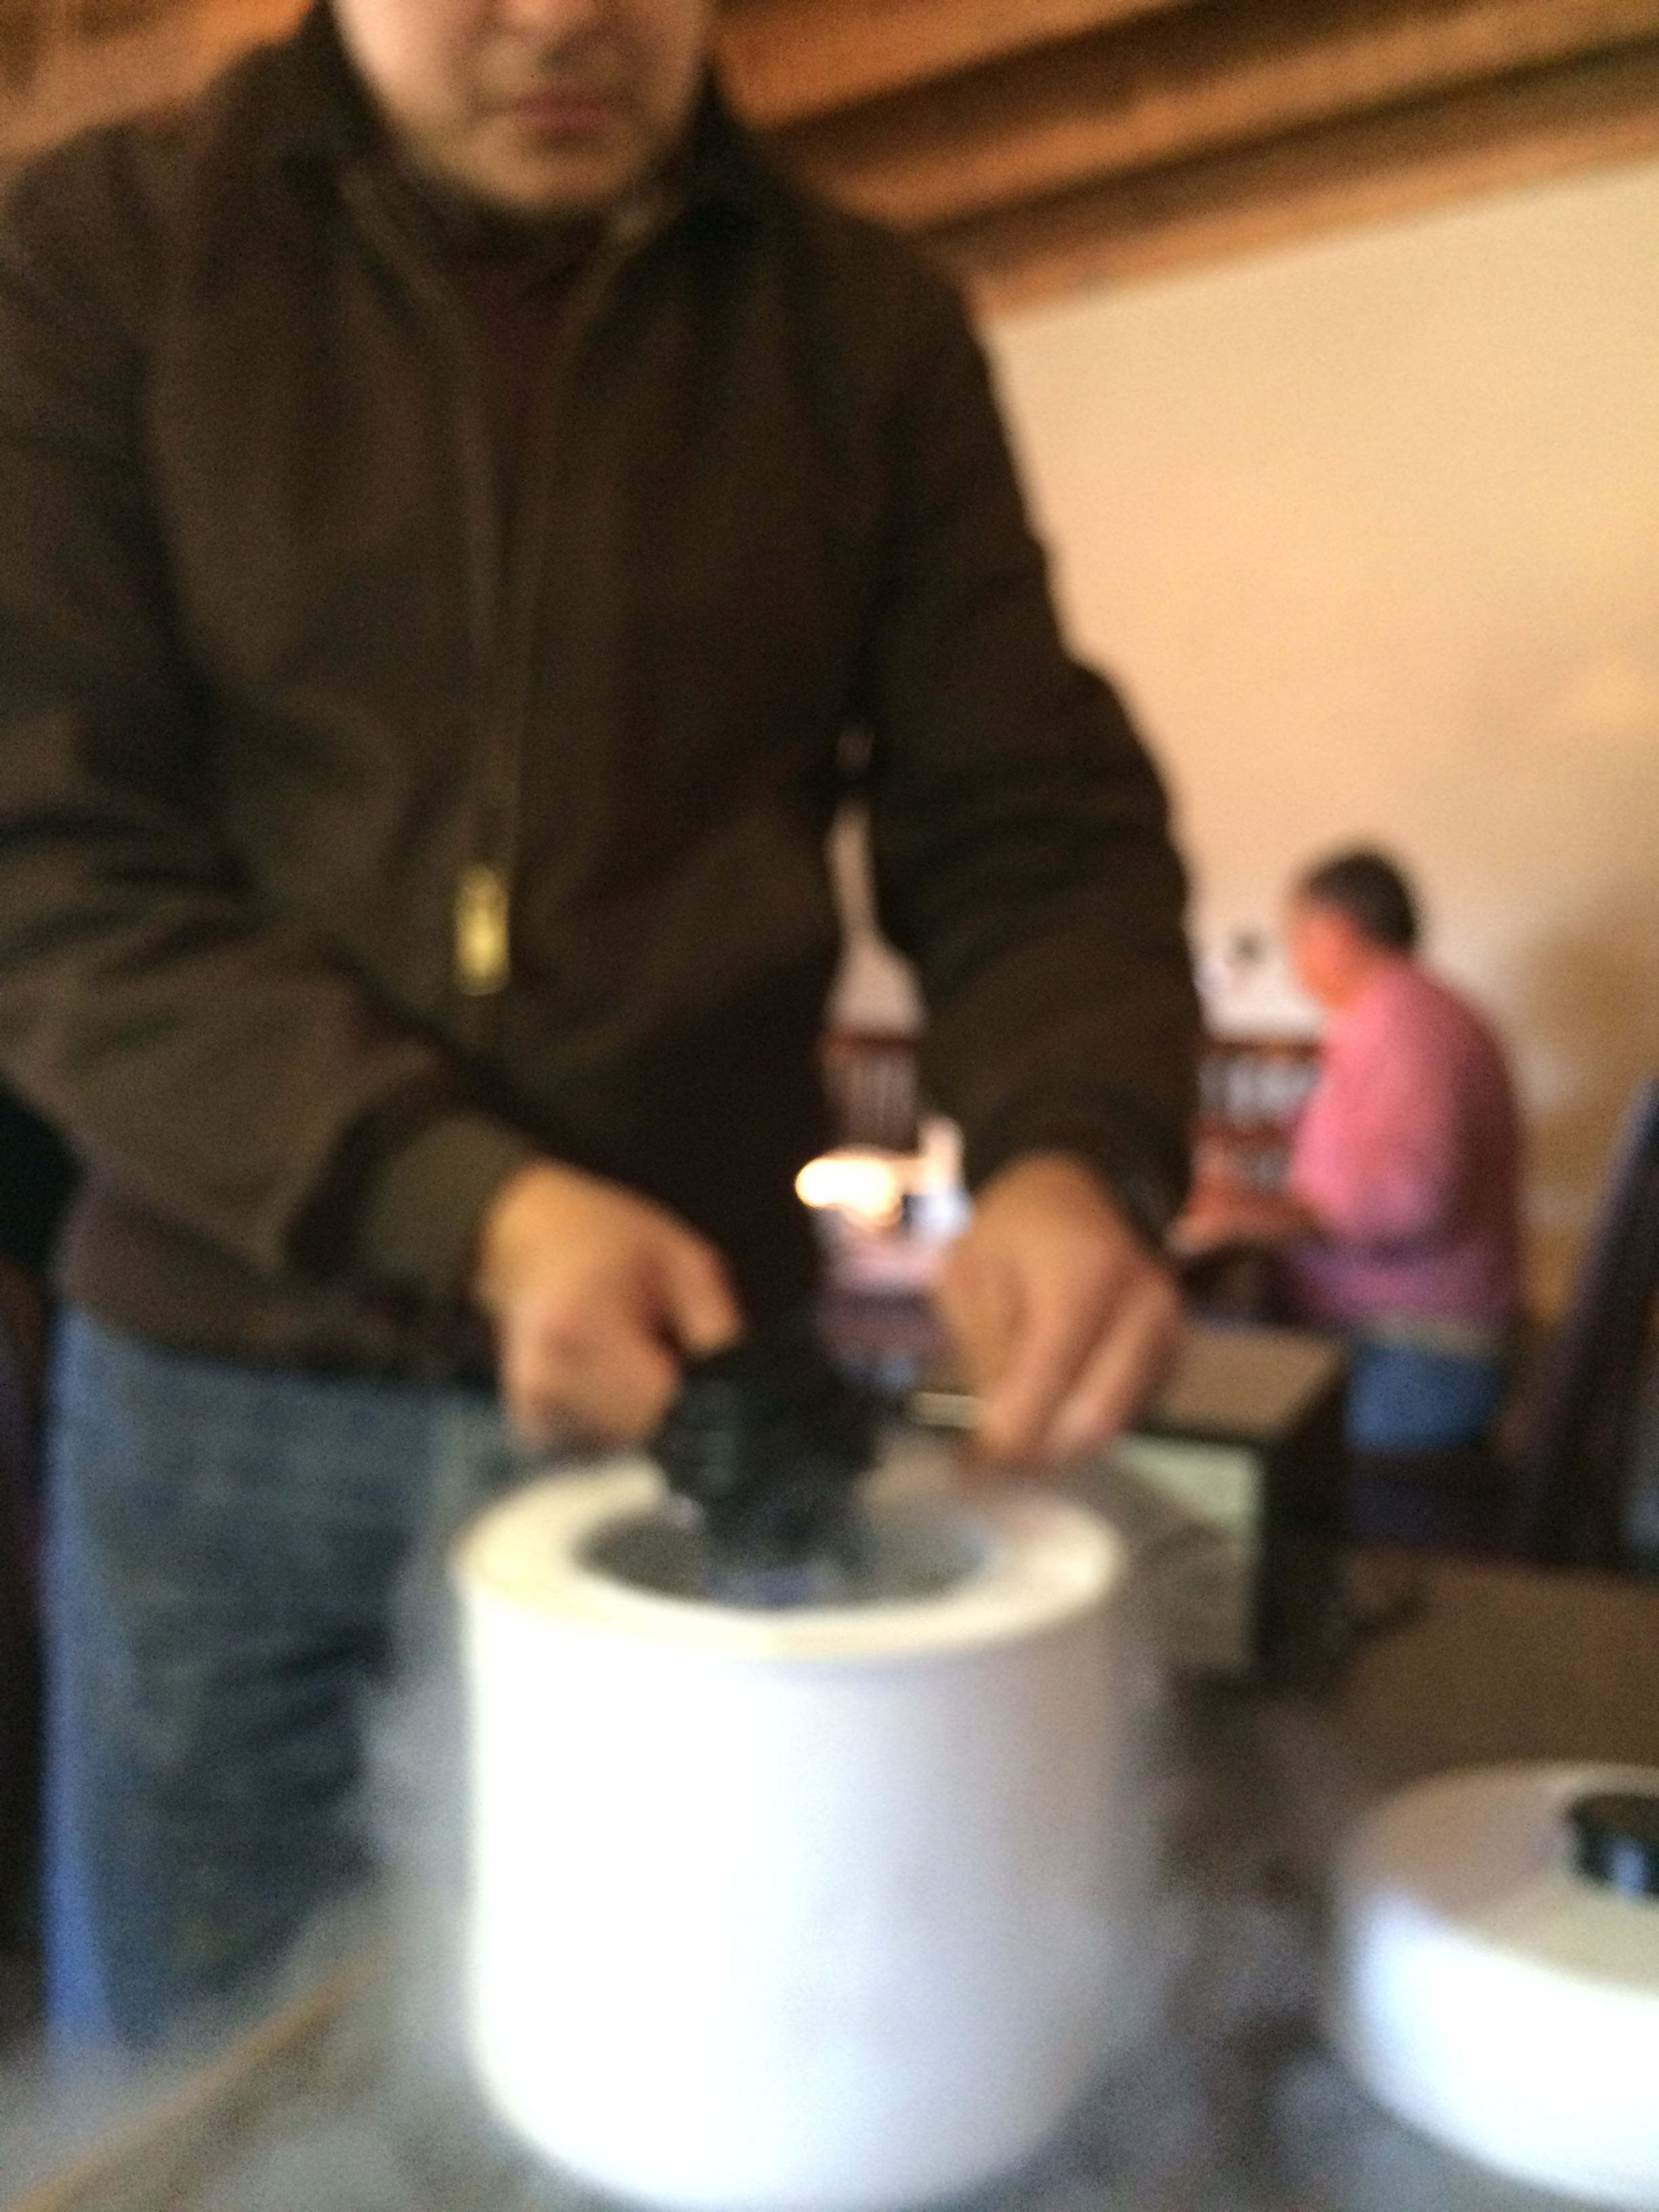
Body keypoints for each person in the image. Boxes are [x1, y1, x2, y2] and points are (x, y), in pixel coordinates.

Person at [0, 0, 1197, 2044]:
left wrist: (1073, 1145)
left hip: (706, 1400)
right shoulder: (98, 255)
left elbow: (1027, 818)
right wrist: (468, 1204)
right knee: (202, 2106)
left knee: (707, 2066)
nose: (563, 14)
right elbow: (46, 859)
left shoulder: (866, 332)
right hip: (226, 1402)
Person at [1174, 849, 1521, 1452]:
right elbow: (1352, 1141)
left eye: (1296, 937)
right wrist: (1241, 1166)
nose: (1294, 958)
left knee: (1184, 1395)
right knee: (1204, 1335)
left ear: (1333, 931)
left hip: (1418, 1362)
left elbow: (1409, 1199)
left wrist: (1252, 1215)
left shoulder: (1408, 1029)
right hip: (1404, 1345)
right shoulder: (1405, 1013)